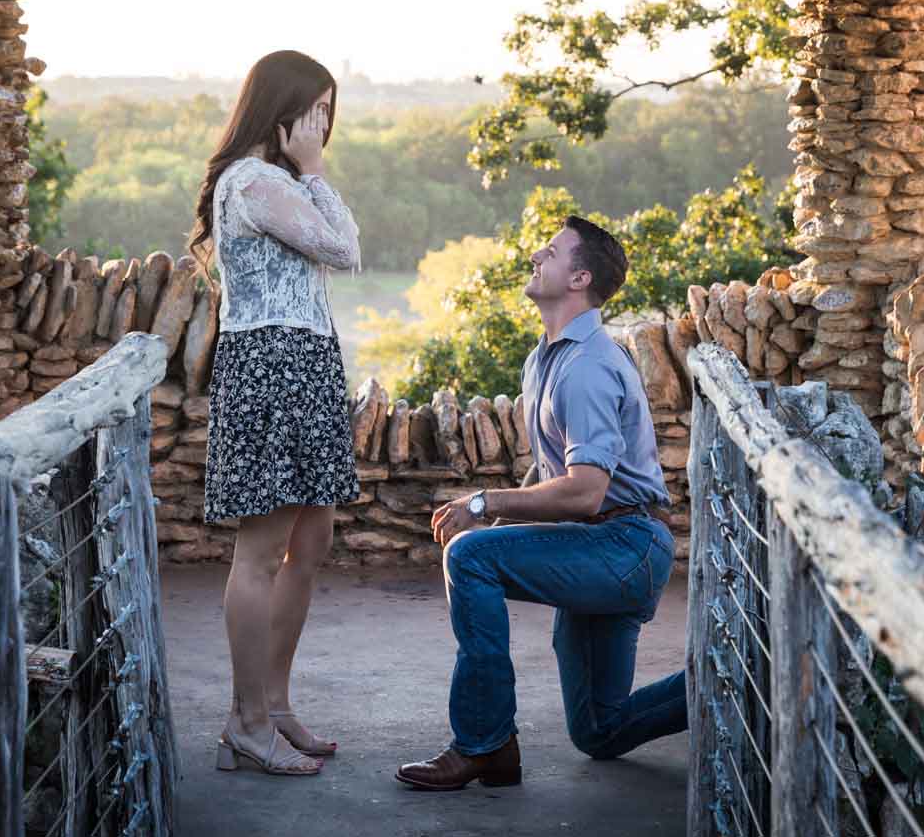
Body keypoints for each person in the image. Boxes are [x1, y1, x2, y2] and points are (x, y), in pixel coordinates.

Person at [396, 216, 686, 791]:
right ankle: (730, 677)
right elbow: (554, 474)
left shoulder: (588, 366)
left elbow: (585, 490)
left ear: (579, 277)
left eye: (550, 253)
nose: (537, 256)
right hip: (600, 544)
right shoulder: (545, 359)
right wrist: (506, 511)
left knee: (471, 556)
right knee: (598, 732)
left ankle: (484, 743)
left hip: (623, 546)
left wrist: (483, 506)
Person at [188, 50, 362, 777]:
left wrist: (312, 171)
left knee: (312, 535)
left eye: (330, 110)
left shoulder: (283, 181)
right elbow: (346, 249)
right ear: (281, 110)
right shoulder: (255, 182)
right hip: (270, 367)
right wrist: (316, 170)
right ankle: (247, 720)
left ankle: (273, 702)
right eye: (314, 109)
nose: (324, 123)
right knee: (260, 551)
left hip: (308, 363)